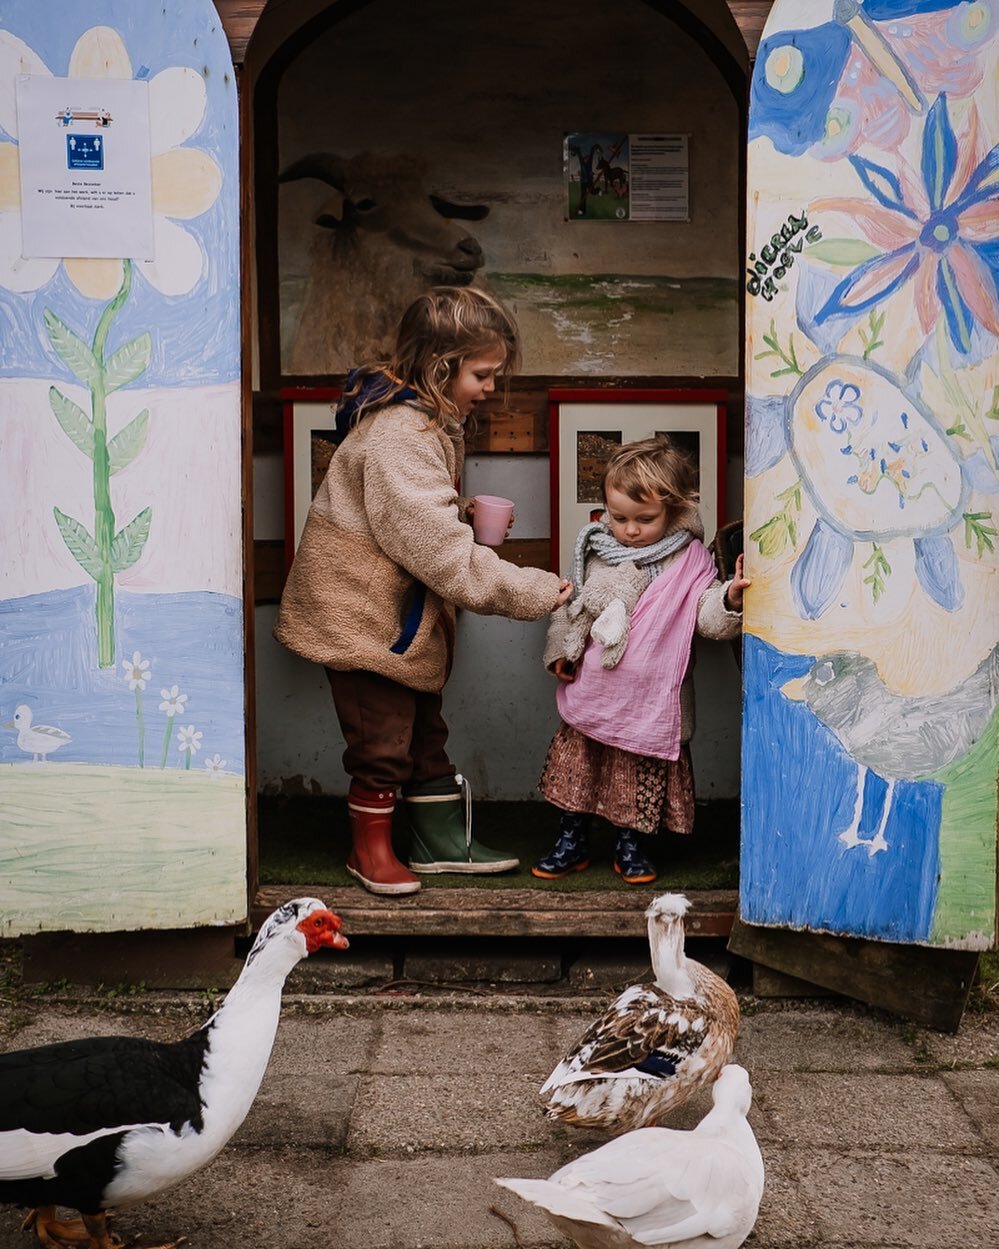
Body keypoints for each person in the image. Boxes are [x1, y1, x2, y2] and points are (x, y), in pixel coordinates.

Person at [274, 286, 573, 896]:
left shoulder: (422, 424)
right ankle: (370, 851)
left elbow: (406, 519)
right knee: (382, 741)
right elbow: (439, 552)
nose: (491, 388)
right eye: (483, 374)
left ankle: (438, 840)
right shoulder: (400, 437)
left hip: (385, 615)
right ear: (441, 368)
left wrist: (459, 513)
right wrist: (536, 591)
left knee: (421, 731)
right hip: (358, 618)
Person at [533, 436, 750, 884]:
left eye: (644, 519)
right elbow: (576, 607)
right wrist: (563, 651)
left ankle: (631, 844)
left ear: (673, 509)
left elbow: (704, 616)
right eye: (619, 518)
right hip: (596, 685)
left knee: (638, 774)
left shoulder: (688, 560)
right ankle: (571, 841)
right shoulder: (596, 548)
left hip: (651, 697)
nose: (629, 530)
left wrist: (727, 599)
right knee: (580, 771)